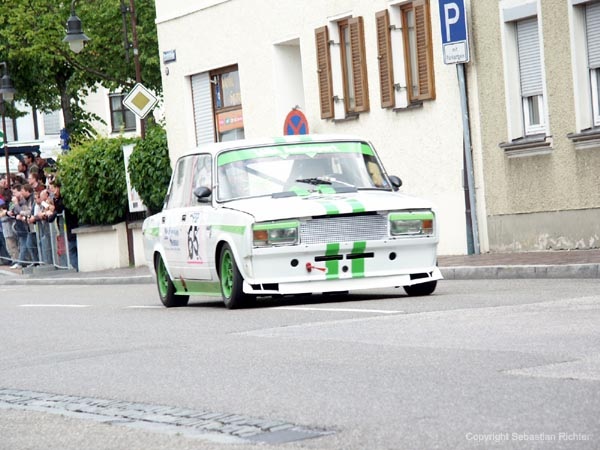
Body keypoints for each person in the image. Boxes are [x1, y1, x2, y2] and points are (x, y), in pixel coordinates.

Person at [48, 179, 78, 270]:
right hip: (68, 228)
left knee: (73, 249)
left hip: (73, 225)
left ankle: (78, 267)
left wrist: (55, 203)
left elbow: (61, 208)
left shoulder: (66, 198)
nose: (54, 192)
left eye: (54, 188)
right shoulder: (57, 199)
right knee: (71, 250)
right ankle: (76, 267)